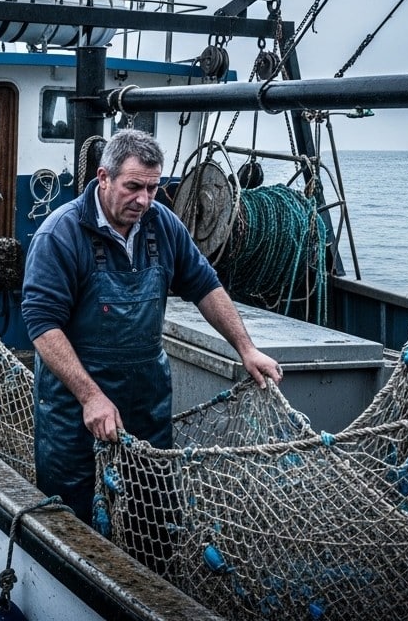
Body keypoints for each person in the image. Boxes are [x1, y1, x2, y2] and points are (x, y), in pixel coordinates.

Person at [21, 129, 282, 525]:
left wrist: (245, 349)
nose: (143, 200)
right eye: (133, 187)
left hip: (147, 399)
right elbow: (42, 325)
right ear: (103, 177)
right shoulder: (60, 234)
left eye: (153, 188)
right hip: (73, 410)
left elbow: (205, 285)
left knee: (157, 517)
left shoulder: (163, 224)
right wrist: (90, 396)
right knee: (71, 521)